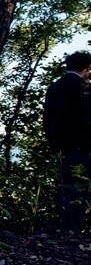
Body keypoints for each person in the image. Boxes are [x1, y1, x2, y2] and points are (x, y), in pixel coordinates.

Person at [43, 50, 91, 232]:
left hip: (65, 147)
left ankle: (70, 228)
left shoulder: (55, 87)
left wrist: (55, 144)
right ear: (88, 67)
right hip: (86, 147)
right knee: (83, 189)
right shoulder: (85, 87)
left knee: (69, 187)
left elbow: (48, 119)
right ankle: (79, 229)